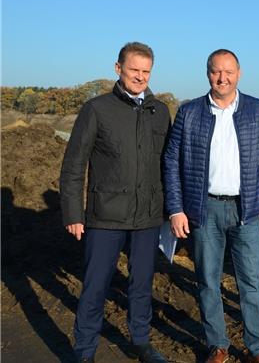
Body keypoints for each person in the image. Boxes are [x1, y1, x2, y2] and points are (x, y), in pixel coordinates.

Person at [164, 49, 259, 363]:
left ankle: (258, 349)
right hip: (204, 210)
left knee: (251, 282)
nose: (223, 78)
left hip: (247, 210)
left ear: (239, 74)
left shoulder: (257, 110)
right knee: (207, 280)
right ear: (207, 74)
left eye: (229, 71)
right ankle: (218, 346)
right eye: (216, 71)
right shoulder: (189, 112)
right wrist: (176, 209)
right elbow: (171, 163)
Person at [59, 42, 170, 363]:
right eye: (134, 69)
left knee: (141, 285)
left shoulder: (159, 111)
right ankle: (84, 351)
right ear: (118, 68)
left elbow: (167, 163)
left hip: (148, 216)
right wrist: (73, 212)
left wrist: (170, 210)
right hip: (105, 215)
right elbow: (74, 164)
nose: (140, 76)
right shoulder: (97, 109)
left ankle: (140, 341)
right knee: (95, 286)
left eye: (146, 71)